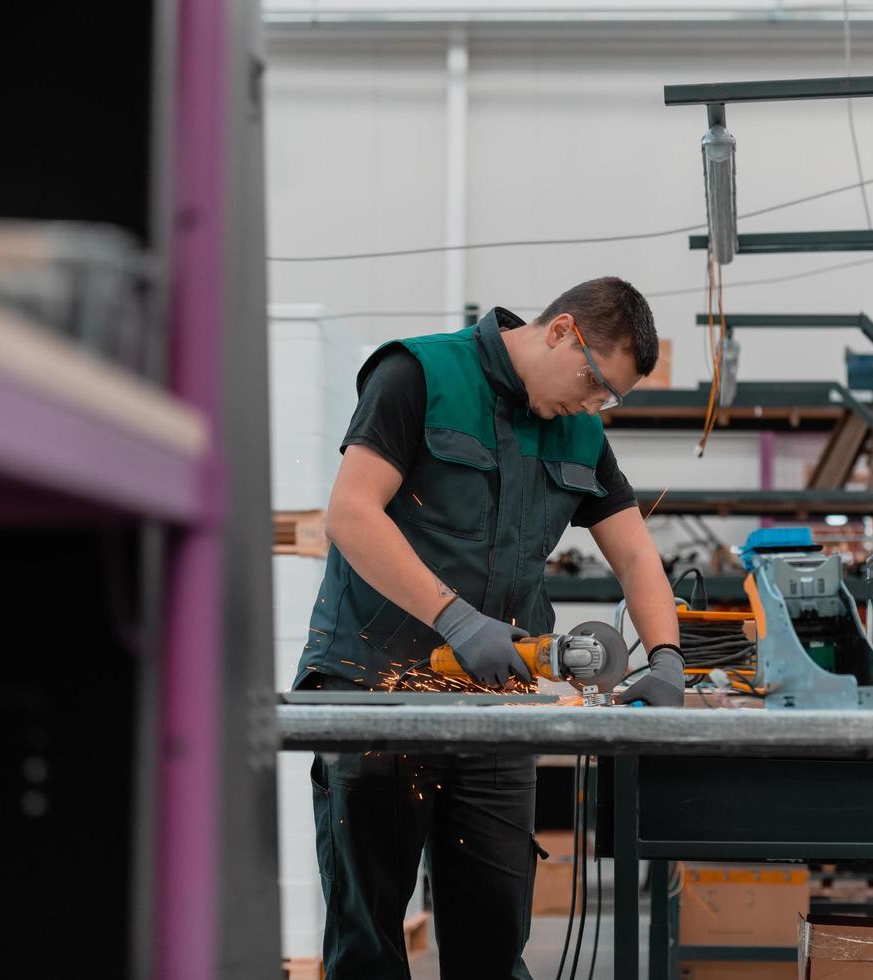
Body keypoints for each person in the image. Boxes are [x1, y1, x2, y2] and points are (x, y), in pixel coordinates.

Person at [293, 276, 684, 978]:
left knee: (493, 938)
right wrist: (455, 619)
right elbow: (351, 514)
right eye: (596, 382)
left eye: (610, 399)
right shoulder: (417, 373)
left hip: (495, 707)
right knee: (369, 942)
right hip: (378, 692)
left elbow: (634, 554)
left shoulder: (580, 431)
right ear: (562, 331)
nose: (595, 404)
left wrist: (666, 659)